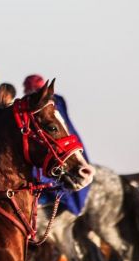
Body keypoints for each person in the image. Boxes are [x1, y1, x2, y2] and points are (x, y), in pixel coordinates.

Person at [23, 73, 91, 214]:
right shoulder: (51, 102)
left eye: (28, 89)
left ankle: (51, 200)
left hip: (60, 146)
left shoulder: (49, 104)